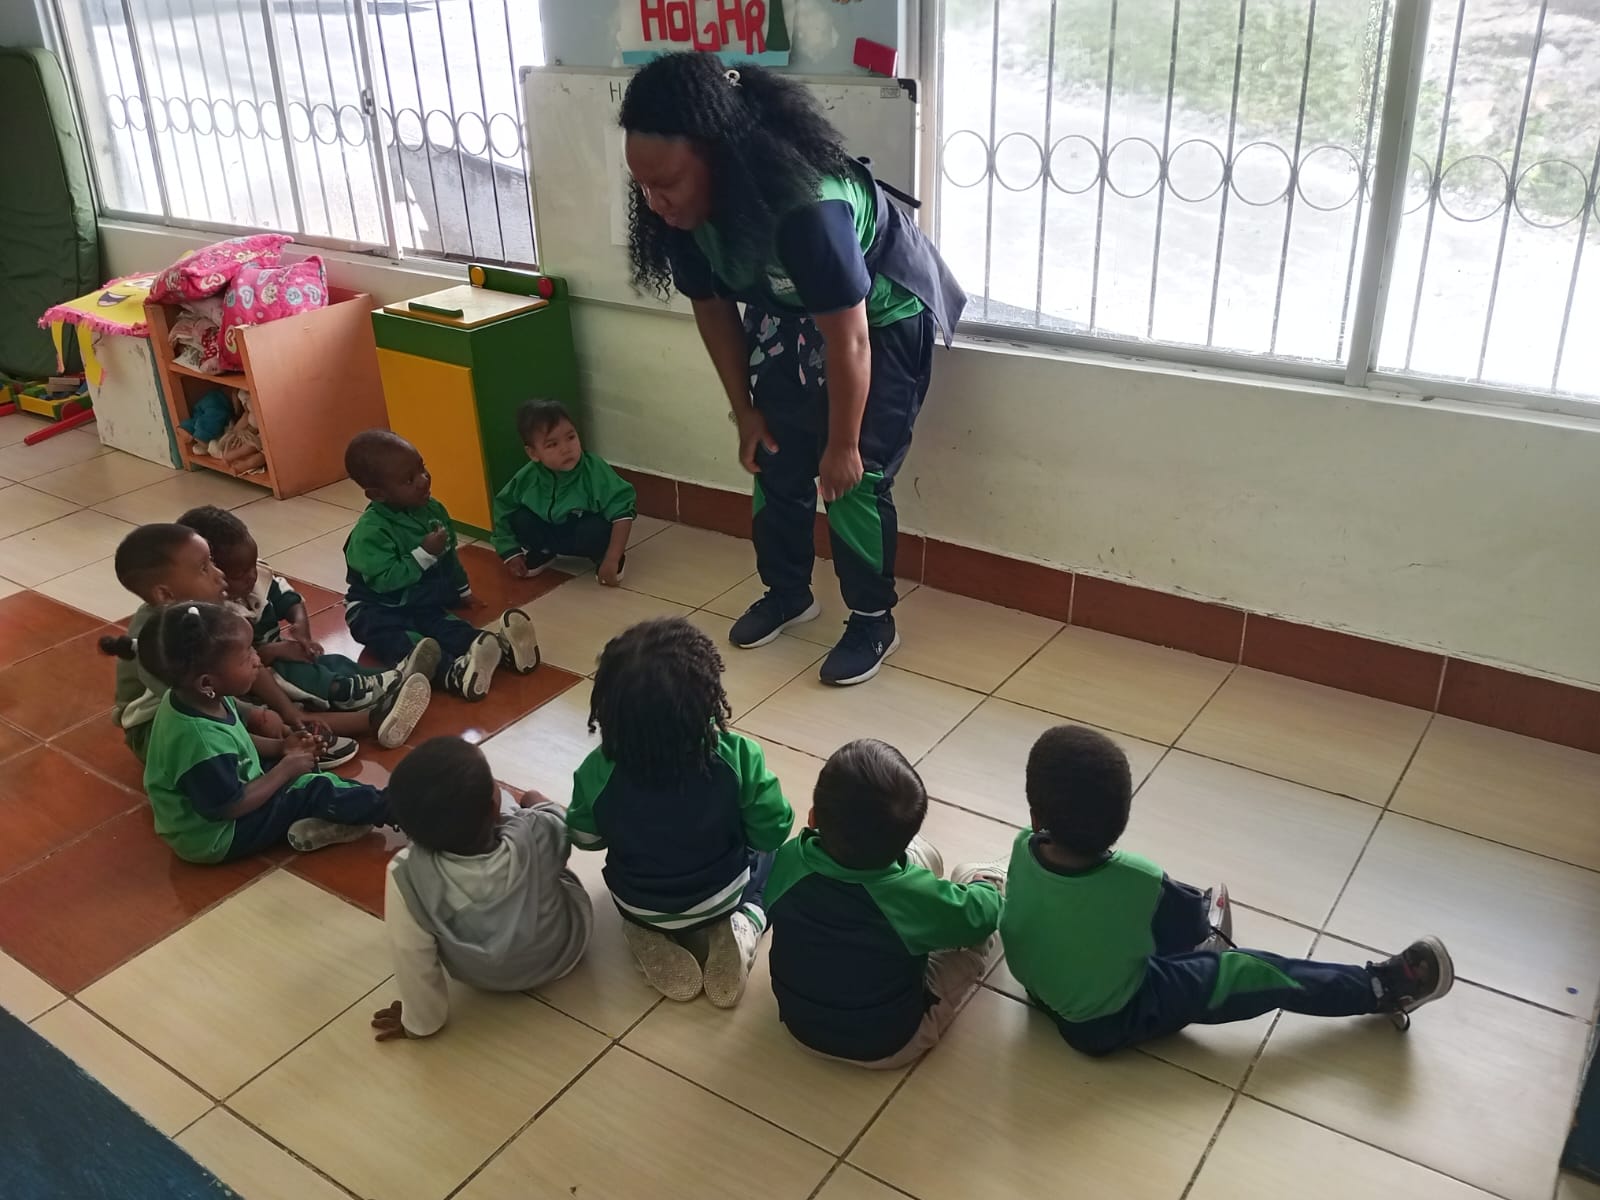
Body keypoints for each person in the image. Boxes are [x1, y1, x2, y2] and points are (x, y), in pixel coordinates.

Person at [621, 53, 966, 687]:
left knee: (854, 479)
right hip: (794, 310)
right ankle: (788, 592)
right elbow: (713, 310)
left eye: (666, 182)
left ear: (719, 156)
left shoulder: (808, 208)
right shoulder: (678, 214)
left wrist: (843, 444)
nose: (654, 200)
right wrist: (745, 411)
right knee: (773, 455)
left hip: (879, 319)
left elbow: (850, 340)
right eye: (641, 184)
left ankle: (873, 620)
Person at [1000, 725, 1456, 1057]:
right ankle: (1380, 988)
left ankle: (1170, 941)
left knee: (1106, 919)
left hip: (1043, 991)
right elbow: (1182, 925)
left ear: (1036, 817)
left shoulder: (1023, 845)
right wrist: (1198, 926)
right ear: (1120, 821)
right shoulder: (1138, 878)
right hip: (1103, 1022)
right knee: (1248, 971)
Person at [567, 617, 793, 1007]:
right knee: (779, 857)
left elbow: (586, 839)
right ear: (705, 698)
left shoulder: (597, 771)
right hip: (723, 893)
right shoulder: (737, 755)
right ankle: (746, 922)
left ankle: (645, 932)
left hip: (639, 900)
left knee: (638, 897)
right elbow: (772, 831)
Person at [765, 739, 1006, 1068]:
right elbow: (982, 917)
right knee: (972, 923)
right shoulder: (908, 897)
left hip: (799, 1027)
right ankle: (986, 879)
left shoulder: (789, 858)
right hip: (891, 1044)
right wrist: (985, 889)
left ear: (812, 817)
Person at [115, 601, 393, 863]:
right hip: (215, 836)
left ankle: (334, 819)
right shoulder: (198, 740)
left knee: (301, 771)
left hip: (226, 801)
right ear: (206, 682)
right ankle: (392, 808)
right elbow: (228, 807)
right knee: (311, 789)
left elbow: (235, 742)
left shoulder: (197, 698)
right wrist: (284, 769)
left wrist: (281, 748)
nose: (257, 660)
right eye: (246, 655)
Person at [371, 736, 593, 1040]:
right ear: (492, 809)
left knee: (419, 918)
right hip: (563, 952)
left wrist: (419, 1022)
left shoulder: (406, 874)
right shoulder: (533, 830)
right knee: (541, 844)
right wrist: (539, 802)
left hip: (481, 977)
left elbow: (411, 954)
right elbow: (562, 827)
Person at [177, 504, 433, 750]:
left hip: (267, 665)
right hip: (255, 680)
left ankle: (388, 680)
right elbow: (243, 664)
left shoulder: (251, 580)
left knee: (326, 662)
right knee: (297, 677)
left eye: (252, 566)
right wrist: (276, 652)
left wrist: (301, 629)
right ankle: (358, 697)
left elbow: (290, 600)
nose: (251, 576)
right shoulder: (214, 616)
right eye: (238, 574)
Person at [98, 524, 345, 769]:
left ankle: (287, 736)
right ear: (165, 594)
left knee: (248, 684)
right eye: (204, 569)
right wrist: (254, 718)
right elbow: (189, 705)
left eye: (212, 562)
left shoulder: (201, 611)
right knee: (214, 740)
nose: (219, 574)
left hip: (205, 698)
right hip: (158, 727)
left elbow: (244, 662)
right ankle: (270, 759)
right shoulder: (158, 638)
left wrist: (285, 711)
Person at [342, 430, 540, 702]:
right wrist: (423, 554)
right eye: (409, 480)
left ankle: (500, 651)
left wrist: (462, 591)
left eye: (422, 468)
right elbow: (385, 581)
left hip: (419, 600)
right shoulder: (370, 532)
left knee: (447, 626)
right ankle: (453, 675)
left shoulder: (433, 510)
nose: (423, 480)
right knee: (411, 645)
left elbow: (448, 556)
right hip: (375, 609)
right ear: (378, 494)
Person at [490, 399, 637, 587]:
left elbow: (623, 512)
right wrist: (510, 551)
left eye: (571, 437)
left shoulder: (594, 470)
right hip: (551, 532)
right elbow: (503, 507)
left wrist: (612, 558)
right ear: (533, 453)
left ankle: (602, 557)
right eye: (552, 444)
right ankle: (543, 551)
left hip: (583, 534)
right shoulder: (528, 476)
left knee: (596, 527)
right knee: (520, 518)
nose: (566, 449)